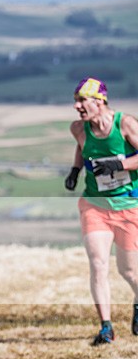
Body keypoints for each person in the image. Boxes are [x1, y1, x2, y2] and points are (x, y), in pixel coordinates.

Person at [65, 77, 138, 345]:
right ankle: (106, 327)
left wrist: (120, 166)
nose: (77, 106)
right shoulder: (78, 128)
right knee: (98, 264)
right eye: (76, 100)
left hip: (129, 207)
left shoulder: (125, 124)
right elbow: (83, 148)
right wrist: (75, 170)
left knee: (129, 272)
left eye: (82, 100)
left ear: (100, 101)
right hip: (95, 205)